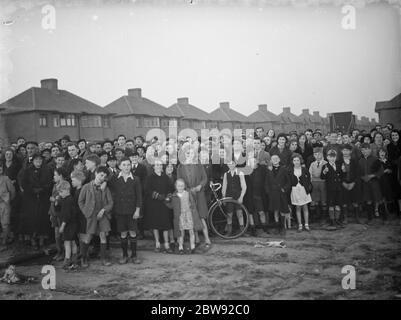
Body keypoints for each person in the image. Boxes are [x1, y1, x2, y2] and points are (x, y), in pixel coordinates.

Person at [108, 157, 142, 264]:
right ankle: (124, 255)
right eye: (124, 165)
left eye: (128, 164)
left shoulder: (135, 179)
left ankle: (134, 255)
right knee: (123, 233)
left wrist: (137, 210)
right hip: (120, 210)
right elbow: (108, 188)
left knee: (132, 232)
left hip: (132, 211)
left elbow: (139, 197)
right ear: (119, 166)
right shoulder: (114, 178)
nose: (127, 167)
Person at [177, 146, 212, 250]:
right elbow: (179, 180)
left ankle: (207, 238)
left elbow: (205, 178)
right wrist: (186, 189)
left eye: (191, 153)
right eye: (187, 153)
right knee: (192, 217)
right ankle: (196, 239)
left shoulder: (199, 165)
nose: (189, 155)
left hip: (199, 193)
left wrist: (200, 186)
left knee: (201, 216)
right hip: (188, 195)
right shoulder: (180, 167)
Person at [78, 166, 113, 267]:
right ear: (96, 173)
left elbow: (110, 203)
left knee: (103, 235)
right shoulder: (86, 187)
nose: (102, 178)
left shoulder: (105, 188)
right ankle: (83, 258)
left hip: (103, 215)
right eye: (101, 175)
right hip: (91, 215)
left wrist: (104, 210)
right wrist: (86, 212)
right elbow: (80, 201)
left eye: (104, 177)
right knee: (88, 237)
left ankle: (103, 259)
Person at [20, 153, 52, 249]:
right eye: (36, 160)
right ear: (32, 161)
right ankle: (33, 239)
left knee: (42, 218)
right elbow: (24, 184)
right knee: (32, 219)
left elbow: (50, 183)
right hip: (31, 199)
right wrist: (32, 190)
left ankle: (42, 239)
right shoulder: (27, 171)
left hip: (43, 198)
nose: (38, 162)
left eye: (40, 160)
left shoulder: (46, 170)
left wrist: (42, 189)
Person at [143, 160, 174, 253]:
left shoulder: (165, 177)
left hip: (164, 203)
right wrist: (157, 196)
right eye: (157, 165)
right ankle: (157, 243)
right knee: (155, 224)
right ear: (154, 166)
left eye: (160, 165)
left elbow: (170, 188)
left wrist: (168, 197)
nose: (159, 166)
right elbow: (147, 190)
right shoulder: (150, 177)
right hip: (154, 204)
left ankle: (166, 244)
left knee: (165, 224)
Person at [167, 179, 203, 254]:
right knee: (181, 232)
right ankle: (180, 247)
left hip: (188, 214)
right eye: (179, 186)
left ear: (184, 186)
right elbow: (171, 206)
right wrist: (166, 201)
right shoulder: (174, 196)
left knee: (191, 231)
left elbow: (193, 202)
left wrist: (192, 208)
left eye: (182, 186)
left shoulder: (188, 193)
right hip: (180, 216)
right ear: (176, 186)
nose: (180, 187)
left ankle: (192, 246)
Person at [264, 154, 291, 235]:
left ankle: (282, 227)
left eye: (276, 158)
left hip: (281, 193)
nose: (275, 160)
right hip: (273, 193)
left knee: (282, 210)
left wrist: (284, 189)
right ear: (271, 161)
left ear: (279, 159)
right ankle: (277, 226)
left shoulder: (284, 169)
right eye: (273, 159)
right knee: (275, 210)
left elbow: (288, 182)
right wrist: (268, 192)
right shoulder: (269, 170)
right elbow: (266, 182)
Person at [358, 143, 384, 223]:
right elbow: (358, 173)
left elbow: (381, 171)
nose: (365, 151)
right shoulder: (360, 160)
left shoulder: (375, 159)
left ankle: (384, 215)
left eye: (366, 149)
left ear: (370, 149)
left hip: (374, 181)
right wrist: (362, 177)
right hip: (365, 183)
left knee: (378, 198)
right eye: (363, 150)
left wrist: (372, 176)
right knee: (368, 199)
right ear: (361, 151)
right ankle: (369, 217)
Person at [222, 160, 247, 236]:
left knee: (240, 213)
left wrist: (241, 196)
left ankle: (242, 231)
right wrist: (223, 197)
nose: (231, 165)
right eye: (229, 164)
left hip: (237, 196)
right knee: (229, 214)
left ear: (235, 164)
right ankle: (229, 231)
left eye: (232, 163)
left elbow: (244, 186)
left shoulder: (240, 173)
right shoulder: (226, 174)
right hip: (229, 196)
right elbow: (224, 187)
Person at [49, 167, 69, 261]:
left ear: (60, 175)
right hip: (54, 212)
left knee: (61, 234)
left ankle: (63, 252)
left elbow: (64, 199)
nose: (54, 177)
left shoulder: (65, 185)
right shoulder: (55, 185)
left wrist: (55, 199)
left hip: (61, 213)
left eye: (55, 175)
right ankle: (59, 251)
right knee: (56, 234)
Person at [58, 181, 79, 269]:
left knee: (67, 243)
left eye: (61, 192)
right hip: (73, 224)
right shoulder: (70, 199)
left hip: (68, 225)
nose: (60, 194)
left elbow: (66, 215)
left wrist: (62, 225)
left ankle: (67, 260)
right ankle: (74, 260)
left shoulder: (67, 201)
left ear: (66, 190)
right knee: (73, 242)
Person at [289, 154, 312, 232]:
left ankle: (306, 224)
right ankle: (300, 225)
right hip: (295, 189)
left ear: (300, 160)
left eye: (298, 160)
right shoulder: (290, 170)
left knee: (305, 206)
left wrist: (306, 187)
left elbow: (308, 179)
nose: (296, 162)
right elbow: (289, 180)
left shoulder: (304, 169)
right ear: (292, 161)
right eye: (294, 160)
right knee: (298, 207)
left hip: (303, 189)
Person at [321, 150, 343, 227]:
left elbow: (342, 176)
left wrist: (343, 171)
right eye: (330, 157)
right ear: (327, 157)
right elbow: (322, 177)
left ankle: (337, 220)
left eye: (334, 157)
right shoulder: (325, 166)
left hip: (338, 188)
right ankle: (332, 220)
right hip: (330, 188)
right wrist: (324, 172)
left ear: (336, 157)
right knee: (331, 204)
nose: (332, 158)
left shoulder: (339, 165)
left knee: (337, 204)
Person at [339, 145, 361, 224]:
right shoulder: (339, 161)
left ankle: (357, 217)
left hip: (353, 183)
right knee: (344, 201)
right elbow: (337, 174)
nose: (345, 152)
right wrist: (343, 182)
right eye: (344, 150)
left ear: (350, 151)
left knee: (355, 200)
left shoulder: (354, 161)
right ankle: (345, 218)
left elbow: (358, 173)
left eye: (347, 150)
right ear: (341, 151)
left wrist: (353, 182)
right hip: (343, 184)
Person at [70, 170, 86, 267]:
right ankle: (81, 255)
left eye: (73, 180)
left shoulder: (82, 190)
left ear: (79, 180)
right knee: (79, 237)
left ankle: (84, 257)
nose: (72, 182)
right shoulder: (76, 190)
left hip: (82, 217)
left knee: (83, 237)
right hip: (77, 217)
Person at [0, 161, 16, 246]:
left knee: (5, 222)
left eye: (1, 167)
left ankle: (4, 241)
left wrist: (8, 200)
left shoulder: (6, 178)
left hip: (4, 204)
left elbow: (12, 191)